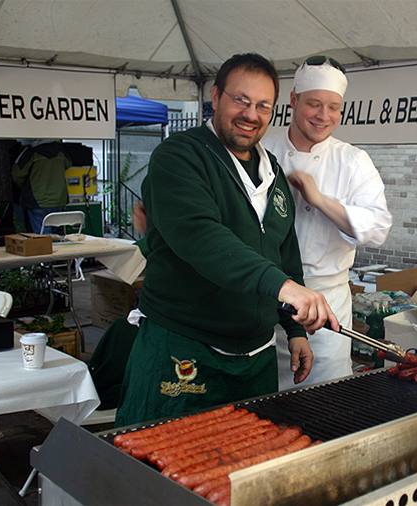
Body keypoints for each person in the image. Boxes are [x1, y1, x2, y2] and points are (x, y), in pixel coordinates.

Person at [115, 53, 338, 427]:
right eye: (241, 100)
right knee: (160, 467)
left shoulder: (273, 174)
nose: (251, 114)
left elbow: (285, 254)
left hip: (256, 359)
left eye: (263, 105)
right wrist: (283, 288)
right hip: (184, 349)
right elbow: (202, 238)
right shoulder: (180, 157)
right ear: (215, 97)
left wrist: (295, 330)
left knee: (247, 466)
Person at [263, 56, 392, 389]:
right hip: (265, 297)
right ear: (293, 100)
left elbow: (377, 227)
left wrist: (319, 200)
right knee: (262, 402)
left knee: (323, 398)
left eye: (333, 107)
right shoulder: (263, 149)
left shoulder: (352, 161)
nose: (324, 116)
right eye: (314, 104)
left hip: (325, 305)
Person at [11, 139, 71, 233]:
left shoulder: (31, 152)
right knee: (56, 237)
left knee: (43, 239)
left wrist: (26, 186)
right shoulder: (61, 152)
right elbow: (68, 164)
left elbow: (16, 174)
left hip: (37, 201)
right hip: (59, 199)